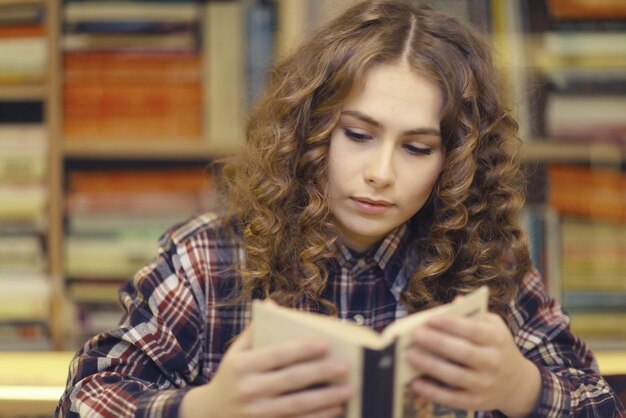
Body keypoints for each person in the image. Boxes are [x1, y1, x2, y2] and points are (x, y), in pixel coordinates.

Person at [56, 1, 626, 417]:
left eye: (417, 147)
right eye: (357, 135)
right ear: (309, 132)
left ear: (453, 163)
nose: (381, 172)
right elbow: (83, 402)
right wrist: (208, 408)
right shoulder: (208, 258)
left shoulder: (490, 265)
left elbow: (599, 400)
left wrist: (522, 389)